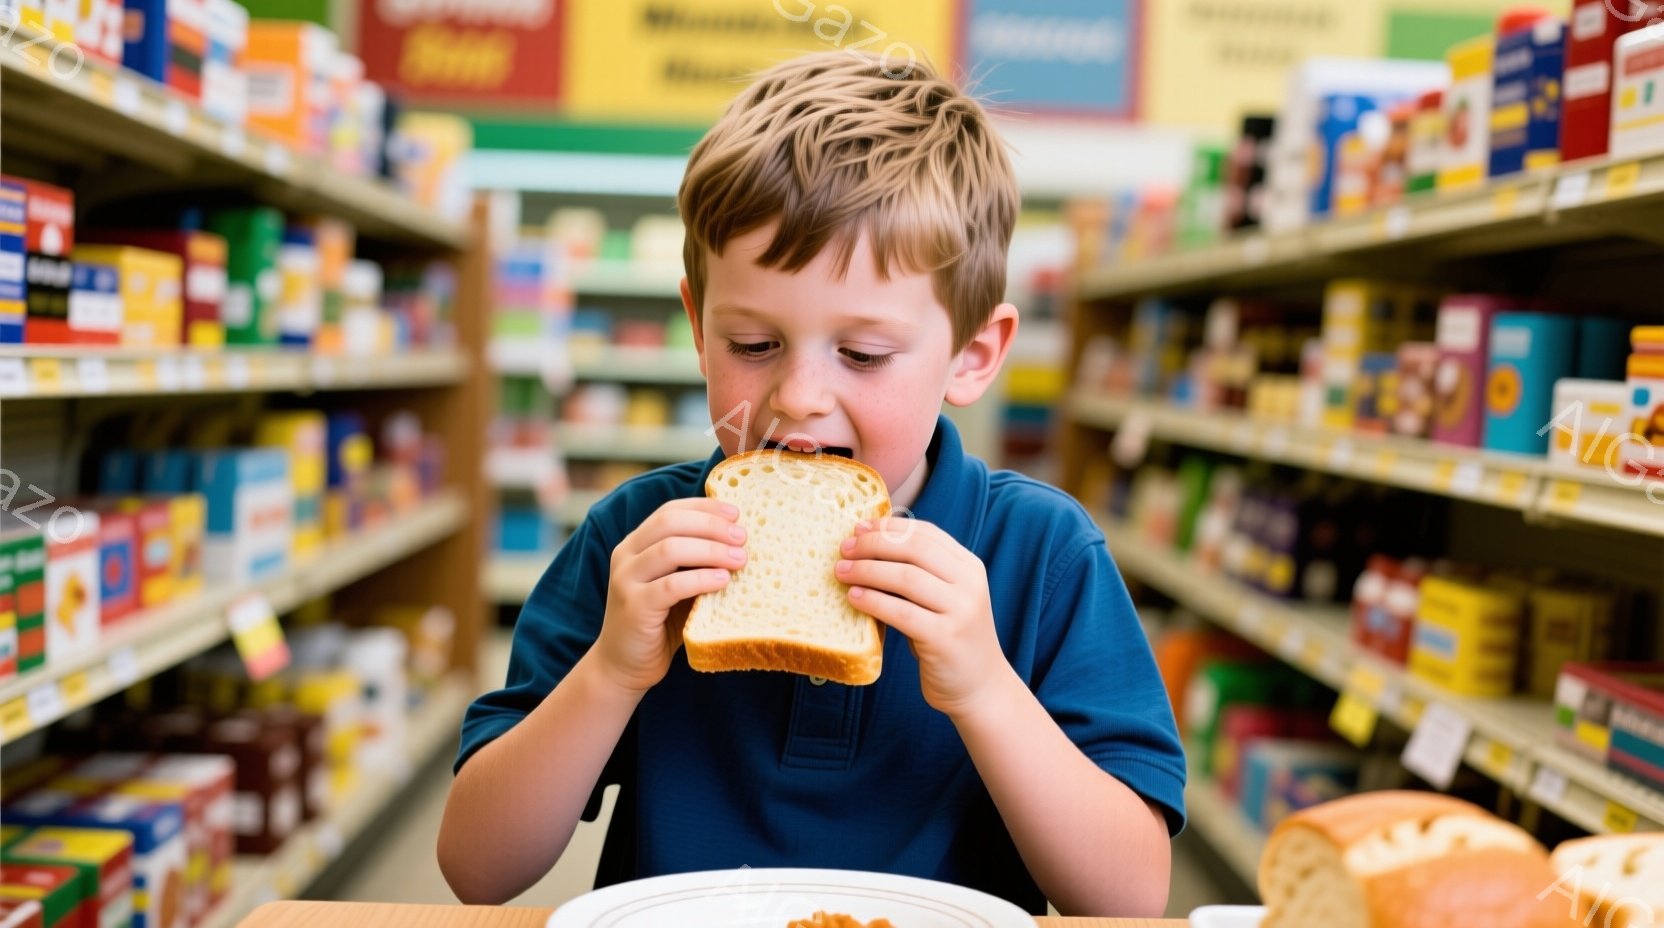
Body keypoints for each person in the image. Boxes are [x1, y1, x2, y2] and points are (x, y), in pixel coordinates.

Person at [437, 50, 1185, 917]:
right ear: (696, 323)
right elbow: (476, 868)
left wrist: (986, 689)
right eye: (752, 346)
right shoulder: (637, 537)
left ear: (972, 356)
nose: (798, 397)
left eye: (863, 355)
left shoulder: (1042, 555)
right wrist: (610, 671)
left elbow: (1130, 899)